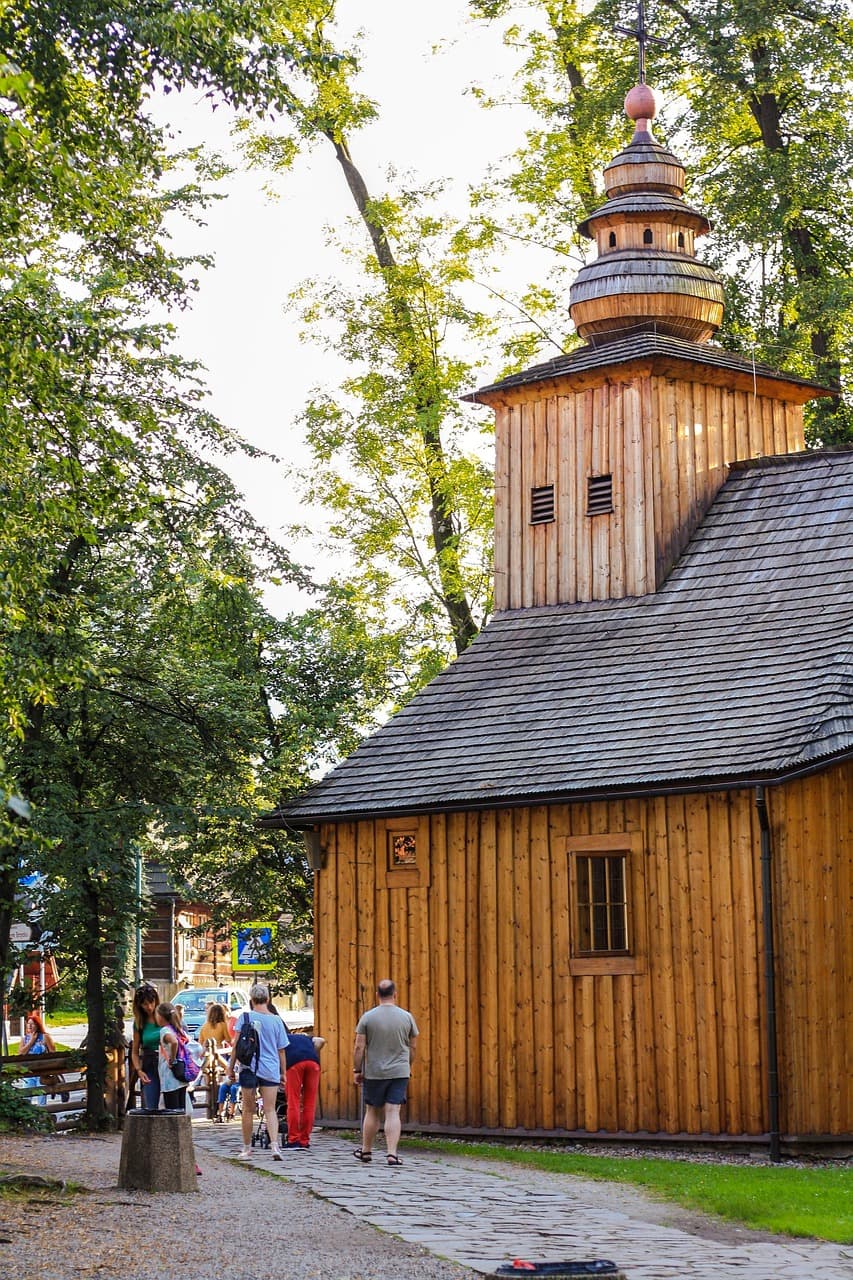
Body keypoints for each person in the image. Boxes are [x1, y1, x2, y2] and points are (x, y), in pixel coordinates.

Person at [352, 979, 418, 1167]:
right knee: (393, 1111)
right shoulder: (407, 1017)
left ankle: (366, 1150)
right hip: (399, 1071)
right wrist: (407, 1065)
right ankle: (392, 1154)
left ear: (377, 995)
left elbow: (359, 1047)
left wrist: (357, 1069)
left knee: (372, 1111)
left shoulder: (367, 1017)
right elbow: (413, 1046)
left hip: (374, 1072)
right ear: (395, 995)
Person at [224, 982, 288, 1160]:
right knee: (270, 1109)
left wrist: (230, 1067)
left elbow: (236, 1045)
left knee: (248, 1109)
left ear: (251, 1000)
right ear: (267, 999)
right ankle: (275, 1146)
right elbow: (281, 1049)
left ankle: (246, 1148)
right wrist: (284, 1073)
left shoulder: (244, 1018)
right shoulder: (276, 1020)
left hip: (248, 1068)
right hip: (270, 1068)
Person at [282, 1026, 326, 1149]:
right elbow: (321, 1040)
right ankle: (304, 1140)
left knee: (293, 1101)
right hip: (313, 1062)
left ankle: (294, 1139)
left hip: (294, 1064)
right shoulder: (303, 1037)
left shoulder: (281, 1038)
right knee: (309, 1103)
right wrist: (312, 1052)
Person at [198, 1001, 238, 1120]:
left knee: (208, 1080)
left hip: (206, 1054)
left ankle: (210, 1106)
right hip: (219, 1053)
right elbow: (228, 1039)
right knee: (221, 1079)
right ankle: (218, 1107)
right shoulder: (222, 1024)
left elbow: (200, 1041)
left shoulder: (205, 1026)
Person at [130, 983, 161, 1110]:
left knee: (173, 1107)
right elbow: (135, 1051)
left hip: (168, 1065)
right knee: (151, 1105)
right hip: (150, 1064)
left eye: (151, 1002)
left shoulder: (165, 1016)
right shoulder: (139, 1023)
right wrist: (139, 1070)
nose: (149, 1007)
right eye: (144, 1004)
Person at [18, 1012, 56, 1106]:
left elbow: (53, 1053)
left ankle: (42, 1118)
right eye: (28, 1023)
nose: (30, 1026)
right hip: (28, 1072)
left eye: (32, 1024)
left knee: (41, 1098)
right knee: (26, 1097)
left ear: (37, 1025)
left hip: (42, 1073)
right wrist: (31, 1041)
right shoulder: (25, 1038)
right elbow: (21, 1053)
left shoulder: (45, 1037)